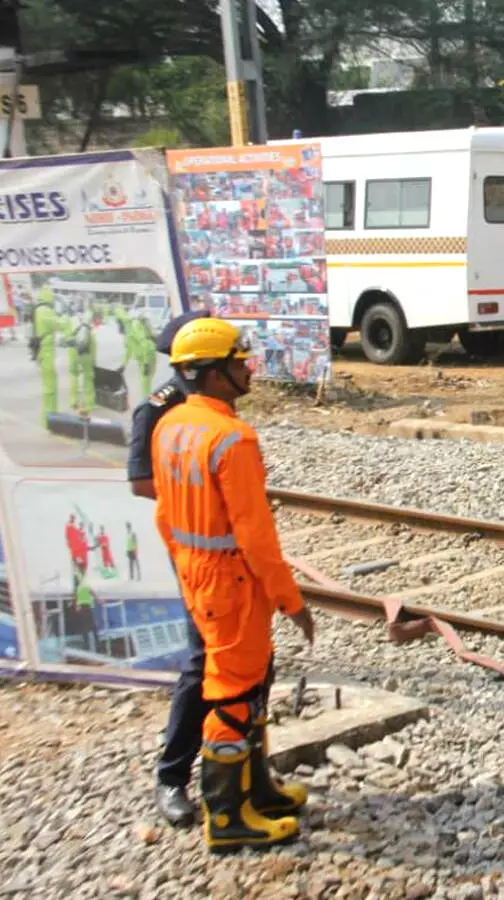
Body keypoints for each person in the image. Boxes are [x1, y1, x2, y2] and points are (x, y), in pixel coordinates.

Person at [152, 316, 316, 852]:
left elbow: (163, 516)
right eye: (239, 361)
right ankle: (227, 816)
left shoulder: (169, 425)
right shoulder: (232, 438)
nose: (247, 369)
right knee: (233, 696)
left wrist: (188, 570)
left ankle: (257, 789)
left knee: (250, 685)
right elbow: (256, 536)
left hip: (197, 576)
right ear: (213, 372)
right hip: (233, 584)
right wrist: (290, 601)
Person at [126, 308, 212, 828]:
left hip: (229, 555)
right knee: (202, 663)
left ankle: (240, 771)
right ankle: (172, 776)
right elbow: (141, 480)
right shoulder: (160, 408)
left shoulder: (213, 403)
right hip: (196, 555)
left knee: (249, 664)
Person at [30, 286, 61, 426]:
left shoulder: (37, 309)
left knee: (49, 384)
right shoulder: (45, 310)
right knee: (50, 386)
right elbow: (56, 324)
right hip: (46, 350)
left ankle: (50, 416)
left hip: (42, 350)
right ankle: (50, 418)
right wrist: (70, 321)